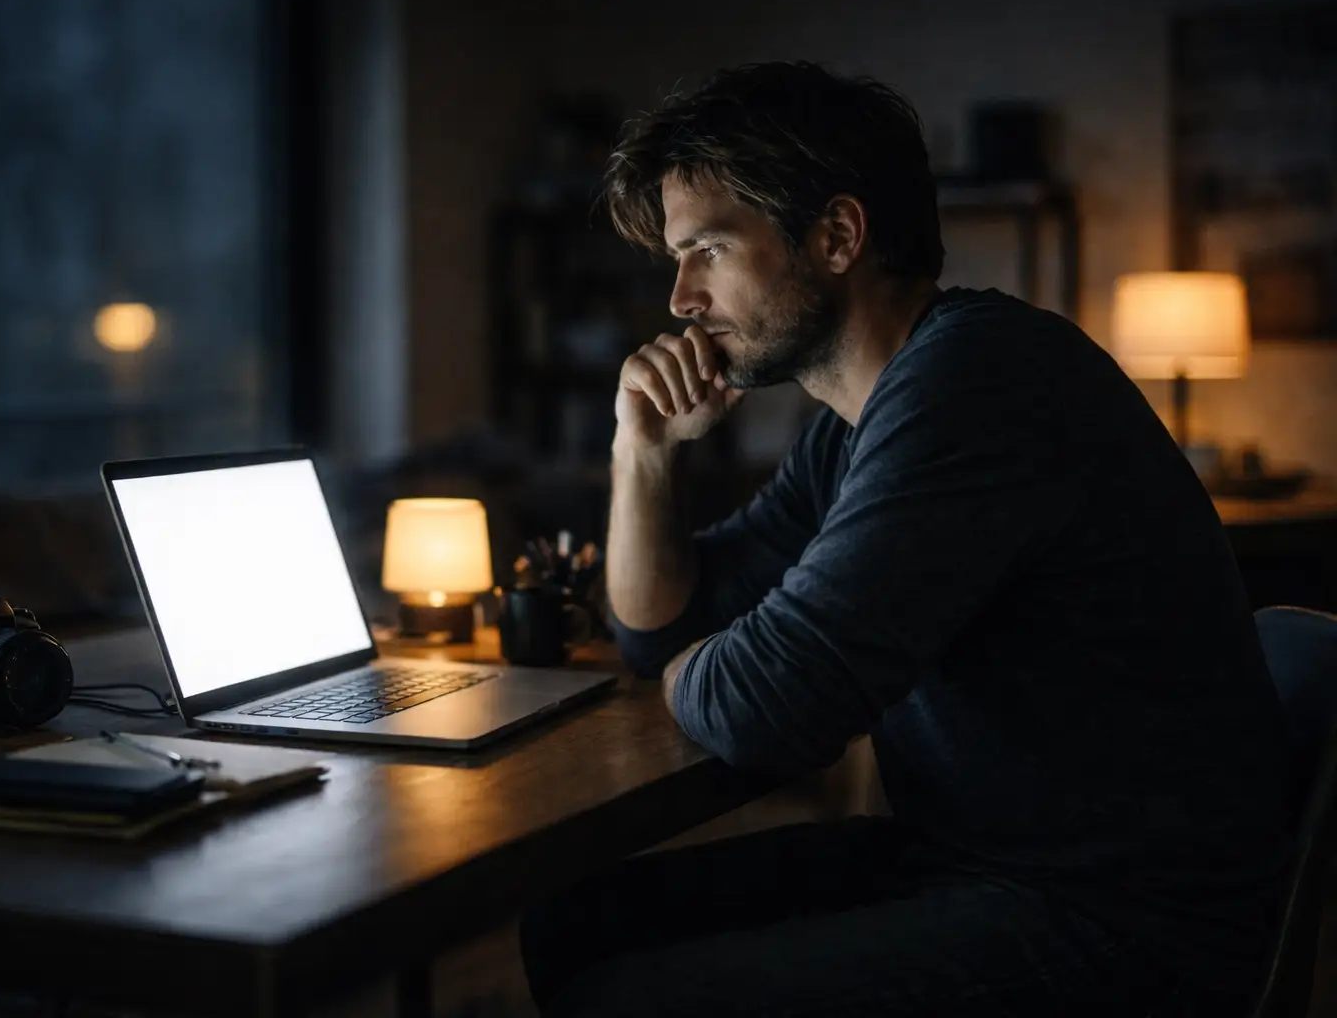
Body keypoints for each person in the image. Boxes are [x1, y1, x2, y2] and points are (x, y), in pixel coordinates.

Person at [517, 61, 1294, 1017]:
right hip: (976, 859)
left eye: (710, 249)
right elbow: (657, 626)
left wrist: (693, 667)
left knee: (629, 996)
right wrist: (640, 452)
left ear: (838, 236)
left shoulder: (979, 382)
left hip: (1125, 922)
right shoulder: (850, 425)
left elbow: (766, 710)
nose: (679, 298)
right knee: (572, 920)